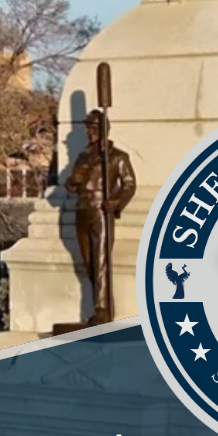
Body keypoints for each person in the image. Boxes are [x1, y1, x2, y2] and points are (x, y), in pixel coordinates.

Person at [66, 111, 137, 325]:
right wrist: (72, 181)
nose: (90, 132)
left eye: (94, 128)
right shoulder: (82, 156)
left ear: (104, 130)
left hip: (101, 212)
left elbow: (129, 184)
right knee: (89, 264)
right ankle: (102, 304)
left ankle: (102, 310)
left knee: (101, 262)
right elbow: (72, 185)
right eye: (88, 128)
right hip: (82, 210)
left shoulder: (117, 157)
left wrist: (115, 202)